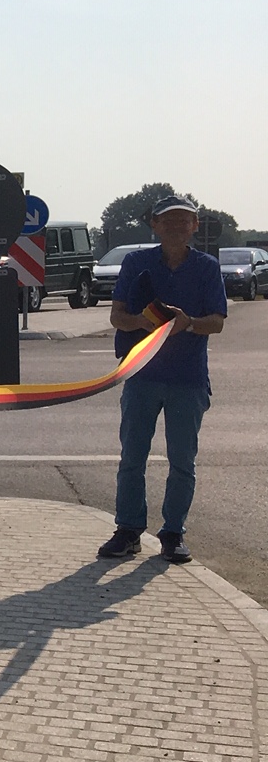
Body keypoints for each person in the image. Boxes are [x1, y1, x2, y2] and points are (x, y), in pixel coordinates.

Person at [98, 194, 226, 564]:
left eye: (184, 220)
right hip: (141, 375)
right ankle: (128, 530)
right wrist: (142, 322)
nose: (176, 226)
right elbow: (117, 316)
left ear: (195, 226)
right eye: (168, 220)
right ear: (154, 225)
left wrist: (187, 323)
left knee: (183, 460)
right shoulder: (137, 262)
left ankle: (173, 533)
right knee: (132, 457)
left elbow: (216, 322)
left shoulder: (206, 267)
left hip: (187, 379)